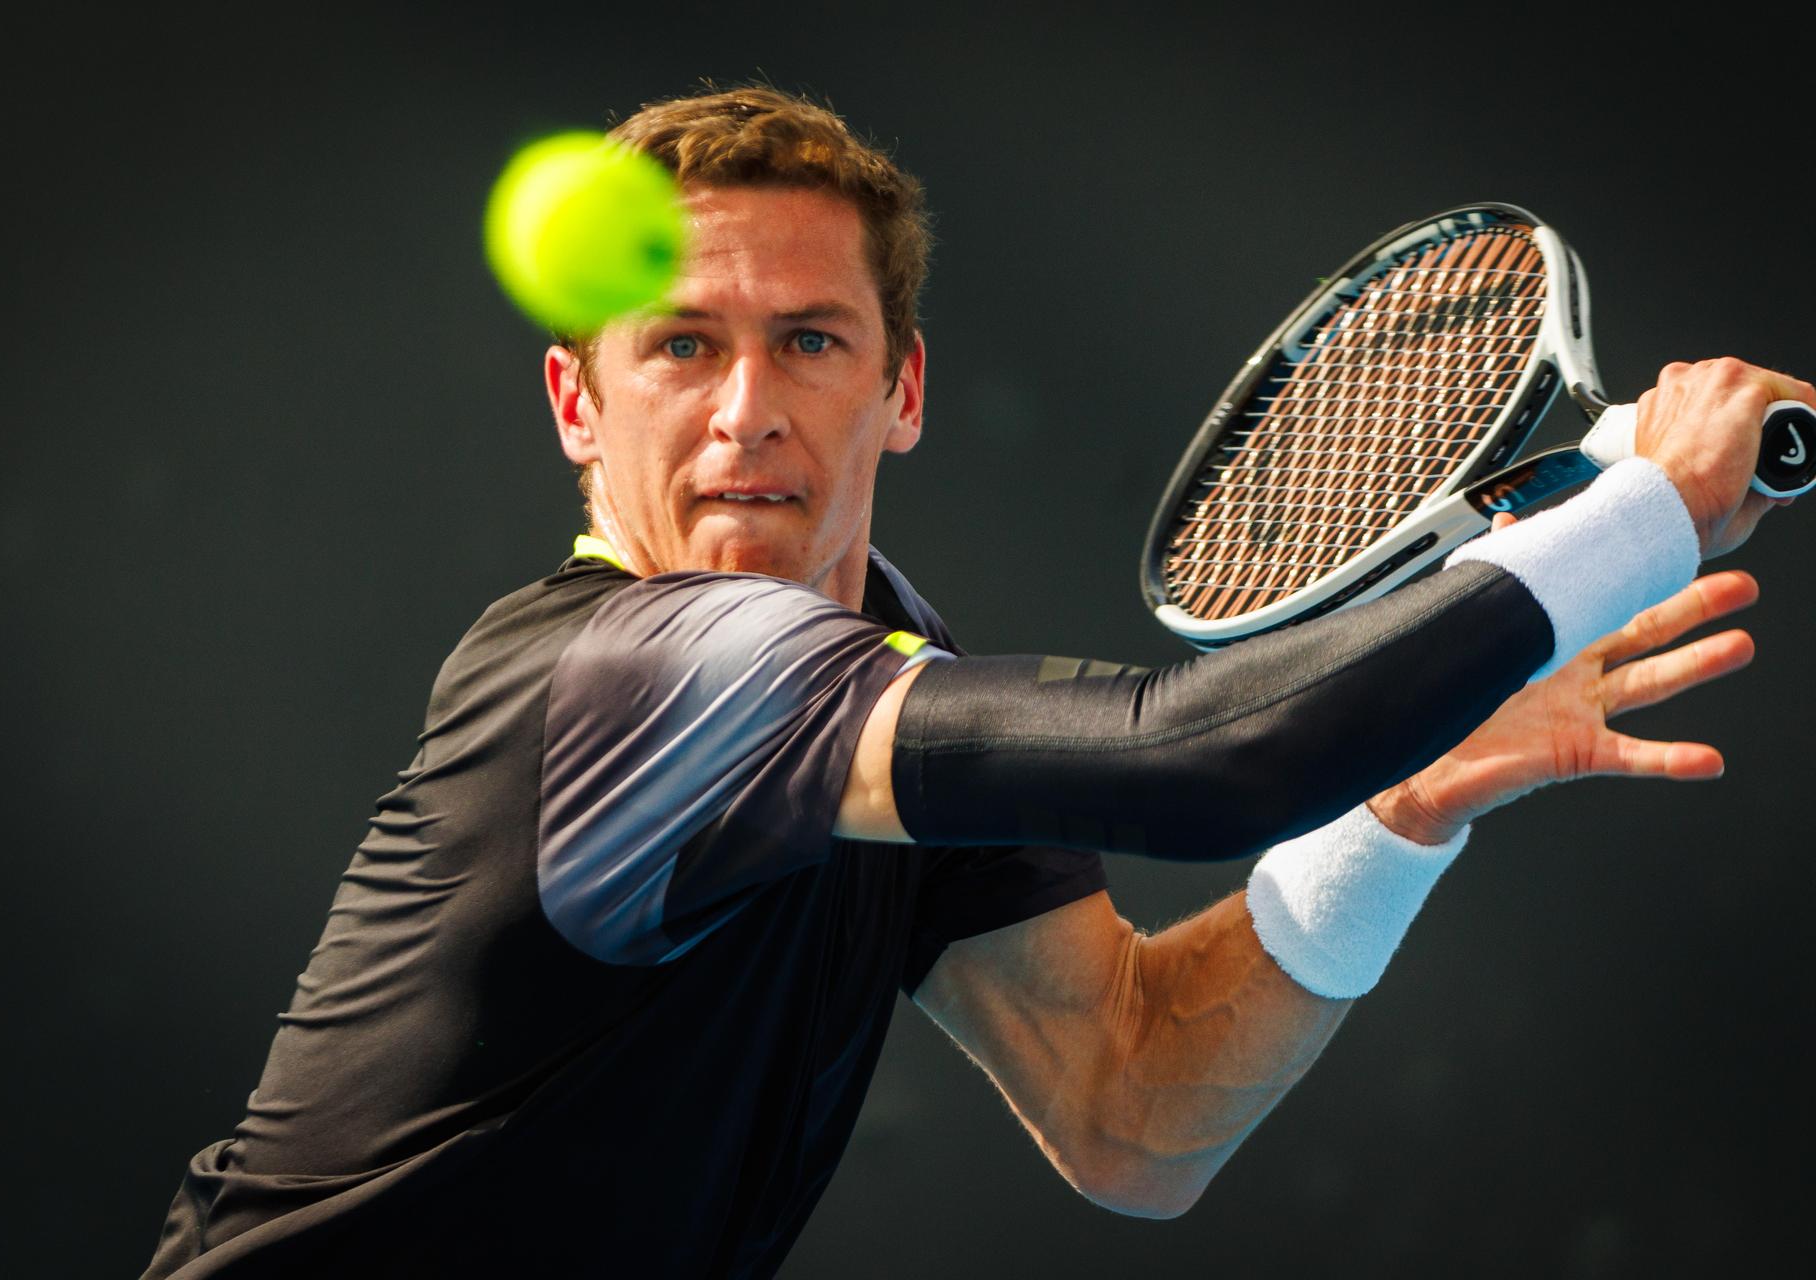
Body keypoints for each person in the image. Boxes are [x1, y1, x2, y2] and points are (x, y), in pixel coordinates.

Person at [140, 86, 1807, 1278]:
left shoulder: (882, 672)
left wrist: (1396, 803)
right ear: (581, 407)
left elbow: (1130, 1105)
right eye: (681, 345)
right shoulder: (641, 675)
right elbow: (1202, 757)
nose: (745, 408)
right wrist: (1650, 510)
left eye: (809, 340)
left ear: (904, 387)